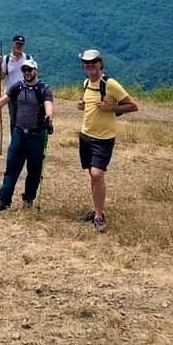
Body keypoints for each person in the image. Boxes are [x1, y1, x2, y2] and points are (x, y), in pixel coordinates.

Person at [76, 49, 139, 232]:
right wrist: (82, 105)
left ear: (100, 64)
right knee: (92, 175)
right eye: (87, 64)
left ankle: (99, 216)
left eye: (94, 63)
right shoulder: (87, 83)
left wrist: (110, 107)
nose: (90, 66)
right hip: (86, 135)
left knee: (97, 174)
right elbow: (89, 105)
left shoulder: (109, 83)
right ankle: (97, 209)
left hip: (103, 138)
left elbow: (133, 106)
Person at [0, 59, 54, 211]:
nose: (27, 72)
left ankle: (28, 200)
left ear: (36, 70)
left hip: (37, 135)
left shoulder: (44, 89)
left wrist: (49, 116)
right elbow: (3, 101)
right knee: (12, 167)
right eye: (24, 69)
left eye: (30, 70)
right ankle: (3, 200)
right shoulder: (18, 87)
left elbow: (48, 104)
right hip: (19, 132)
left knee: (34, 169)